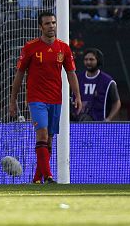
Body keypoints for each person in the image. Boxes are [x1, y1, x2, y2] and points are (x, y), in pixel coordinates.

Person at [9, 11, 82, 184]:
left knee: (49, 140)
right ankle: (49, 177)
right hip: (36, 98)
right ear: (40, 27)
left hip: (56, 99)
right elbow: (19, 74)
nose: (52, 26)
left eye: (54, 23)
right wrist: (13, 100)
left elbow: (71, 73)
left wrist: (77, 95)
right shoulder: (30, 47)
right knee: (41, 135)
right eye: (48, 23)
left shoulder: (63, 48)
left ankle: (36, 179)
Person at [75, 49, 121, 122]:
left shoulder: (107, 81)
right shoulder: (77, 79)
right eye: (86, 59)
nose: (88, 62)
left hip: (99, 123)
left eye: (91, 59)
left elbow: (116, 102)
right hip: (78, 122)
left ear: (98, 61)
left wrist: (109, 119)